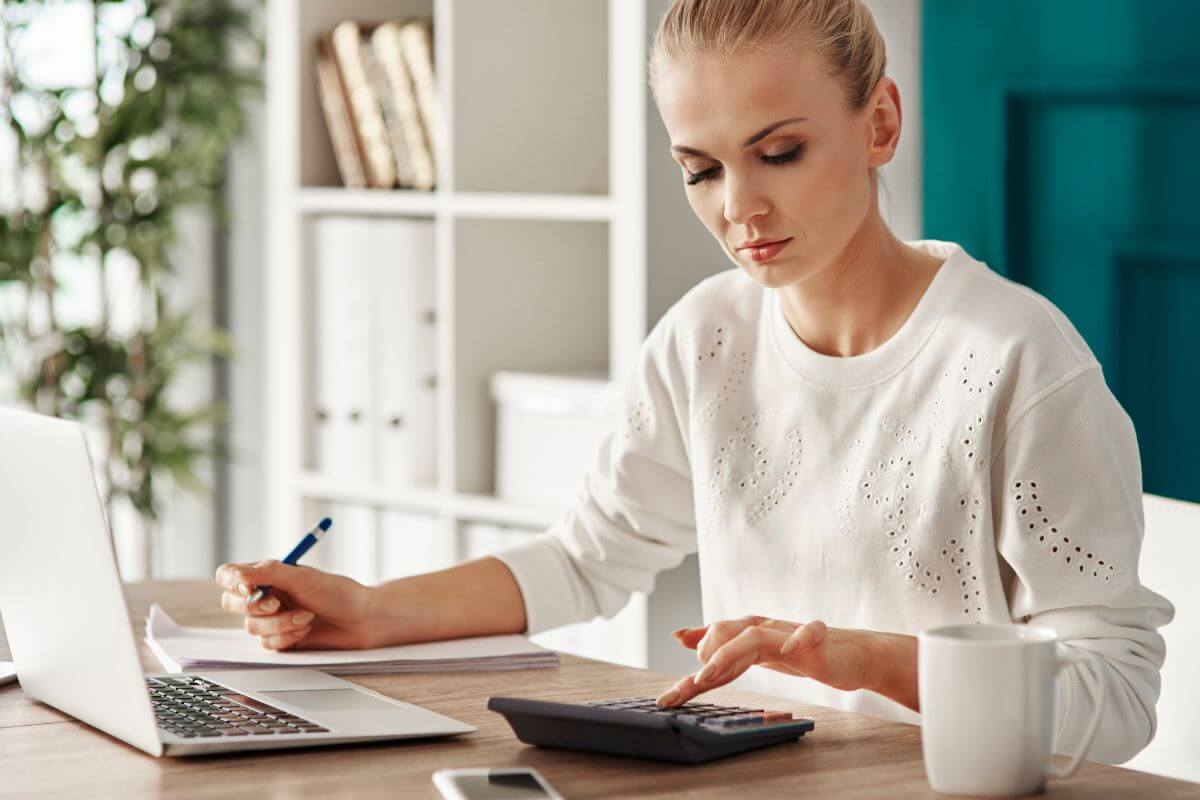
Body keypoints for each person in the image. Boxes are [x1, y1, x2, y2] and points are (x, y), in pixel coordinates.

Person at [216, 0, 1173, 763]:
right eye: (700, 169)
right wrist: (372, 610)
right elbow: (589, 556)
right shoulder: (706, 339)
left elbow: (1118, 700)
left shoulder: (1017, 362)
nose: (739, 207)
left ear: (879, 122)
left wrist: (868, 661)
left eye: (780, 151)